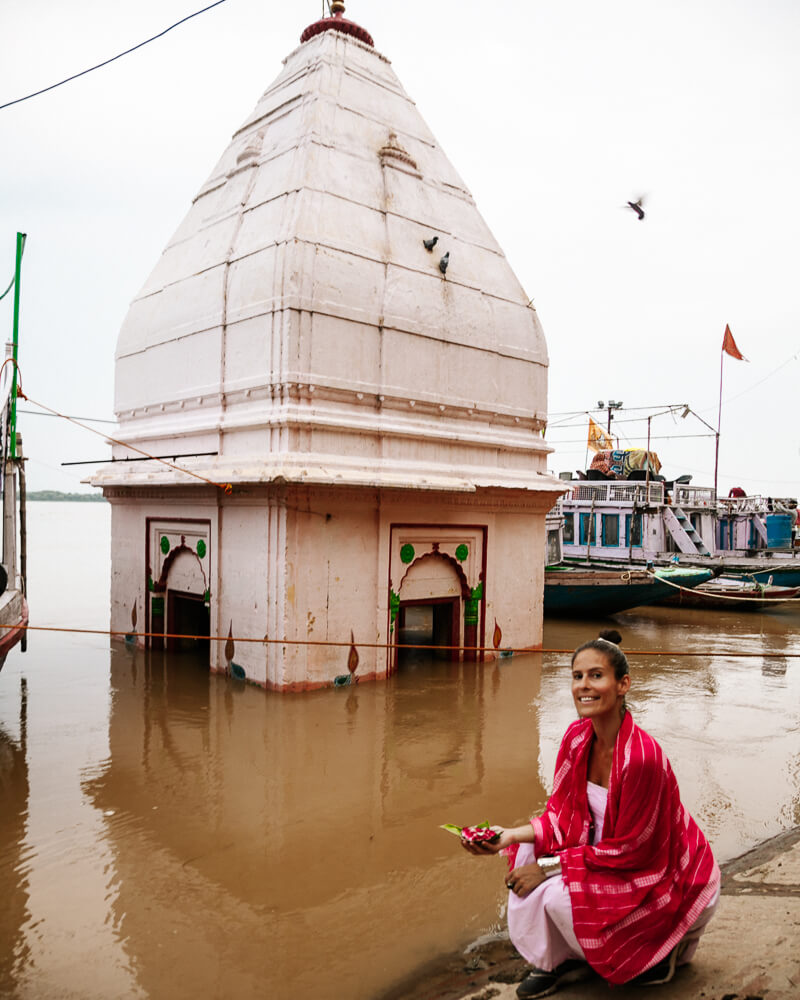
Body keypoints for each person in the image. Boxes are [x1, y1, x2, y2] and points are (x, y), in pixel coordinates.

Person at [461, 629, 720, 998]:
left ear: (622, 684)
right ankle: (561, 958)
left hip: (667, 876)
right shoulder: (577, 737)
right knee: (524, 855)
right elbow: (562, 816)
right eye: (577, 676)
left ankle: (658, 954)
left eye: (596, 676)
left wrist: (548, 869)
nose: (584, 686)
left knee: (553, 897)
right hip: (605, 852)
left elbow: (633, 852)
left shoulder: (641, 758)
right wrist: (507, 836)